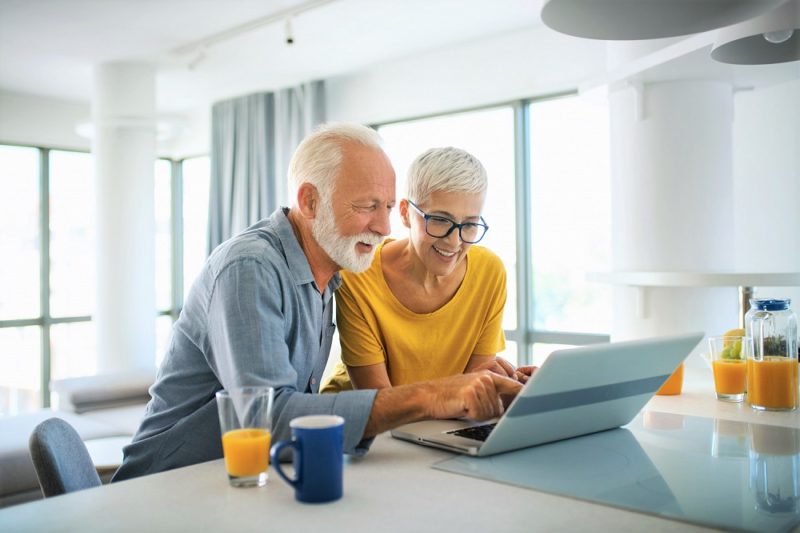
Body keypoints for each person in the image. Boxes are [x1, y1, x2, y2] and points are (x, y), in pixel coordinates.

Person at [113, 123, 521, 481]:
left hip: (251, 477)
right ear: (309, 201)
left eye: (385, 208)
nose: (382, 228)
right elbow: (268, 419)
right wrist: (433, 395)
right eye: (366, 207)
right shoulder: (251, 267)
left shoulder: (331, 272)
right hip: (170, 484)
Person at [322, 147, 529, 394]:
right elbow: (378, 402)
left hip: (438, 425)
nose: (454, 242)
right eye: (440, 220)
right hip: (358, 426)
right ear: (405, 213)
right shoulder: (358, 272)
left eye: (470, 224)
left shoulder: (489, 272)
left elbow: (473, 392)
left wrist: (513, 388)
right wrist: (463, 393)